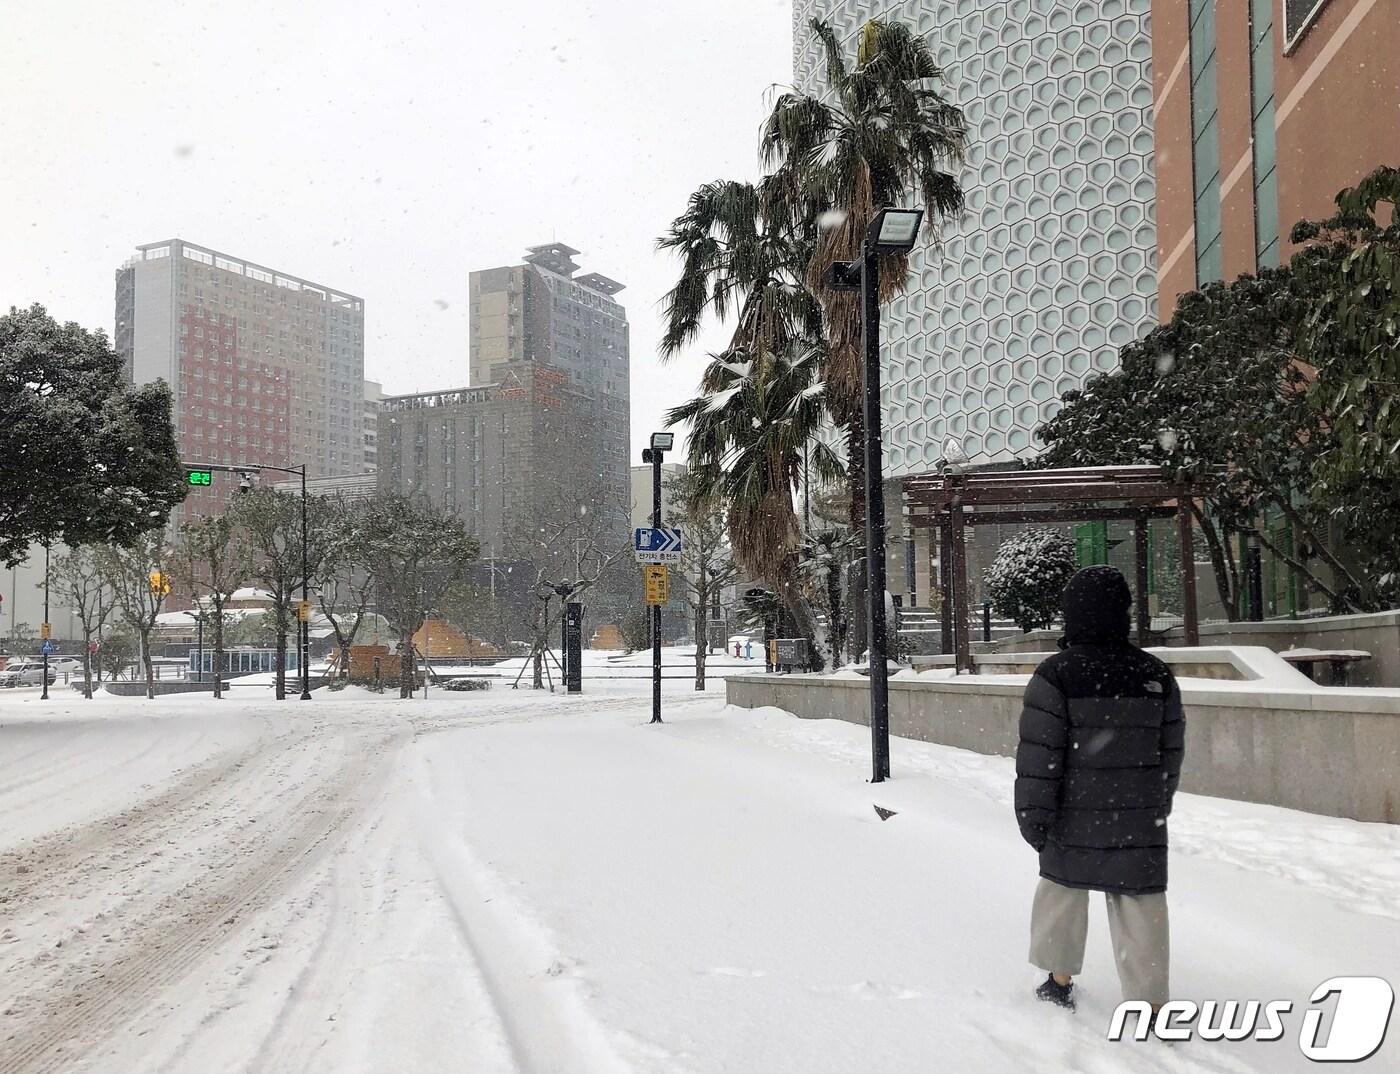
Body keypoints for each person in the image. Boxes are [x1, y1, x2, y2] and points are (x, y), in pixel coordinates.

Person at [1014, 565, 1185, 1012]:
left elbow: (1038, 757)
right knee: (1140, 905)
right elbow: (1171, 749)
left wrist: (1036, 819)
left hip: (1073, 814)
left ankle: (1059, 979)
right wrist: (1156, 800)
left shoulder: (1055, 675)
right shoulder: (1154, 674)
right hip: (1137, 815)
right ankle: (1147, 1001)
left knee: (1063, 892)